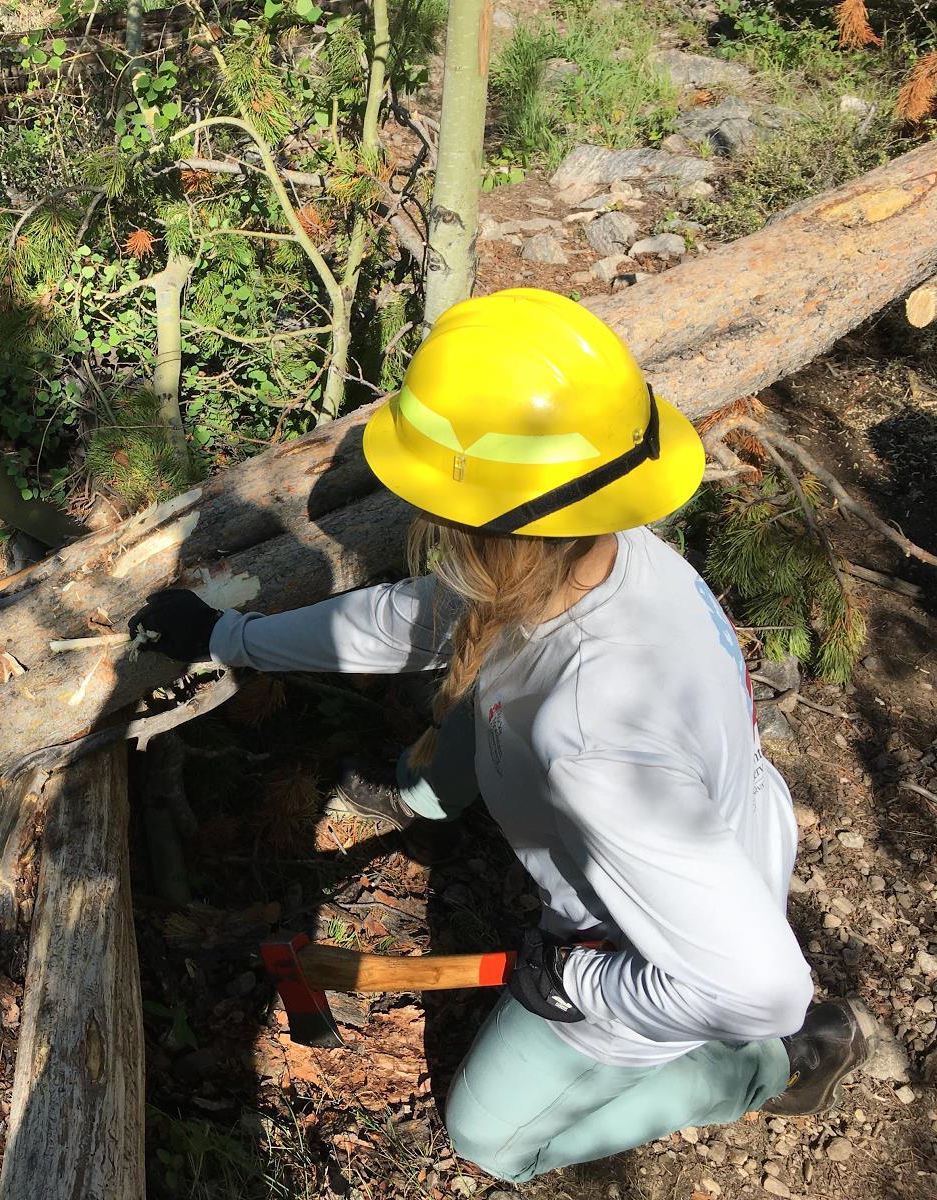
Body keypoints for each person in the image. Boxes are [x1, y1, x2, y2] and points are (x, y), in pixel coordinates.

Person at [130, 289, 871, 1184]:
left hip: (644, 943)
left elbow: (763, 989)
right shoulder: (611, 545)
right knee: (478, 709)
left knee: (492, 1142)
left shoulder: (588, 740)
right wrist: (226, 637)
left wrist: (580, 984)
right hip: (712, 839)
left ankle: (779, 1069)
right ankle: (428, 799)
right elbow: (419, 620)